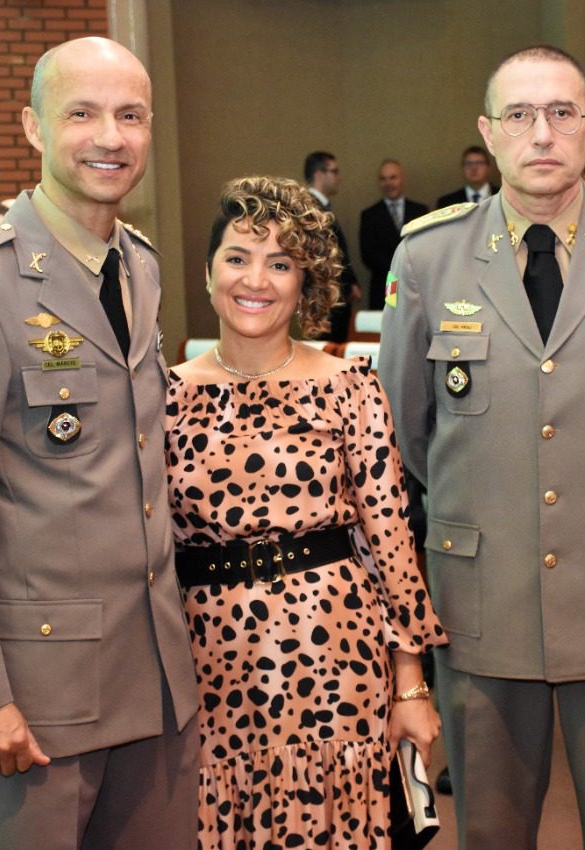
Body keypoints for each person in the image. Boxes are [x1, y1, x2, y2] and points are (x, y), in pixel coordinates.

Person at [379, 45, 585, 850]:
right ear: (488, 134)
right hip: (482, 596)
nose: (543, 133)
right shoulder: (428, 256)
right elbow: (406, 430)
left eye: (562, 112)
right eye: (520, 115)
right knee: (490, 831)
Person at [0, 37, 199, 849]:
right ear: (33, 127)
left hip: (156, 679)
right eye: (82, 113)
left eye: (131, 115)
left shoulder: (139, 266)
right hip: (38, 695)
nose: (112, 136)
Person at [169, 175, 446, 848]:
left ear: (305, 283)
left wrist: (409, 685)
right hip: (207, 663)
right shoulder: (162, 396)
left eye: (281, 262)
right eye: (237, 257)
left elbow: (390, 539)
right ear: (208, 276)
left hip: (333, 656)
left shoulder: (350, 386)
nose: (255, 279)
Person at [304, 151, 360, 341]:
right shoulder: (312, 208)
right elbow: (326, 252)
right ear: (319, 174)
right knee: (329, 351)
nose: (338, 178)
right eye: (334, 172)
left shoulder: (319, 206)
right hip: (327, 294)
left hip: (333, 293)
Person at [360, 159, 427, 310]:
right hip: (383, 288)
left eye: (393, 177)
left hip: (414, 287)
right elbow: (368, 255)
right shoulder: (369, 215)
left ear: (403, 179)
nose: (388, 183)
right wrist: (398, 269)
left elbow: (425, 249)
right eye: (383, 179)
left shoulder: (420, 211)